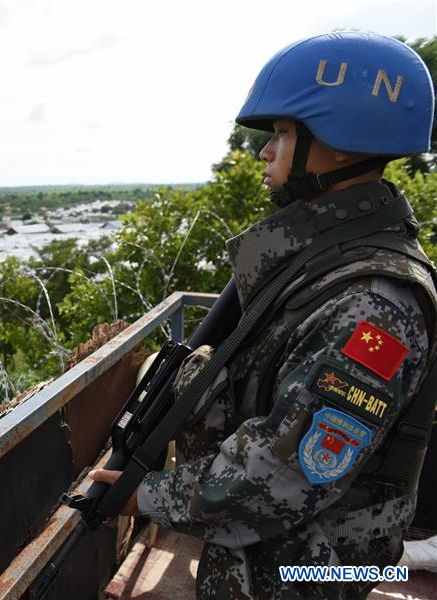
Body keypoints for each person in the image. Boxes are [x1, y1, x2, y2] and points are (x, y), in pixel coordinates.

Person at [90, 31, 437, 599]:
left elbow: (285, 476)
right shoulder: (325, 259)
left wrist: (143, 496)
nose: (264, 151)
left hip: (317, 574)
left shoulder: (371, 301)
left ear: (343, 144)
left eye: (280, 133)